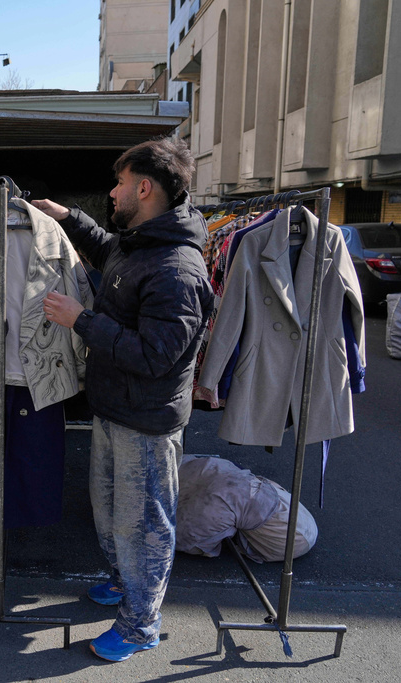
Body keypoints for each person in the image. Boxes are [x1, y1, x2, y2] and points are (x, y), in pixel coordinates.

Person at [33, 138, 213, 662]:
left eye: (118, 184)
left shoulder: (177, 268)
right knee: (111, 514)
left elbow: (156, 356)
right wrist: (65, 216)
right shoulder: (137, 242)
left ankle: (140, 625)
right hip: (114, 409)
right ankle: (123, 585)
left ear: (144, 188)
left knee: (144, 527)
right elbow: (104, 249)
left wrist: (80, 320)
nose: (111, 193)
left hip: (147, 422)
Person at [175, 455, 318, 563]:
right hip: (298, 519)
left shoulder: (208, 512)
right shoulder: (215, 466)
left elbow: (187, 541)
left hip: (291, 539)